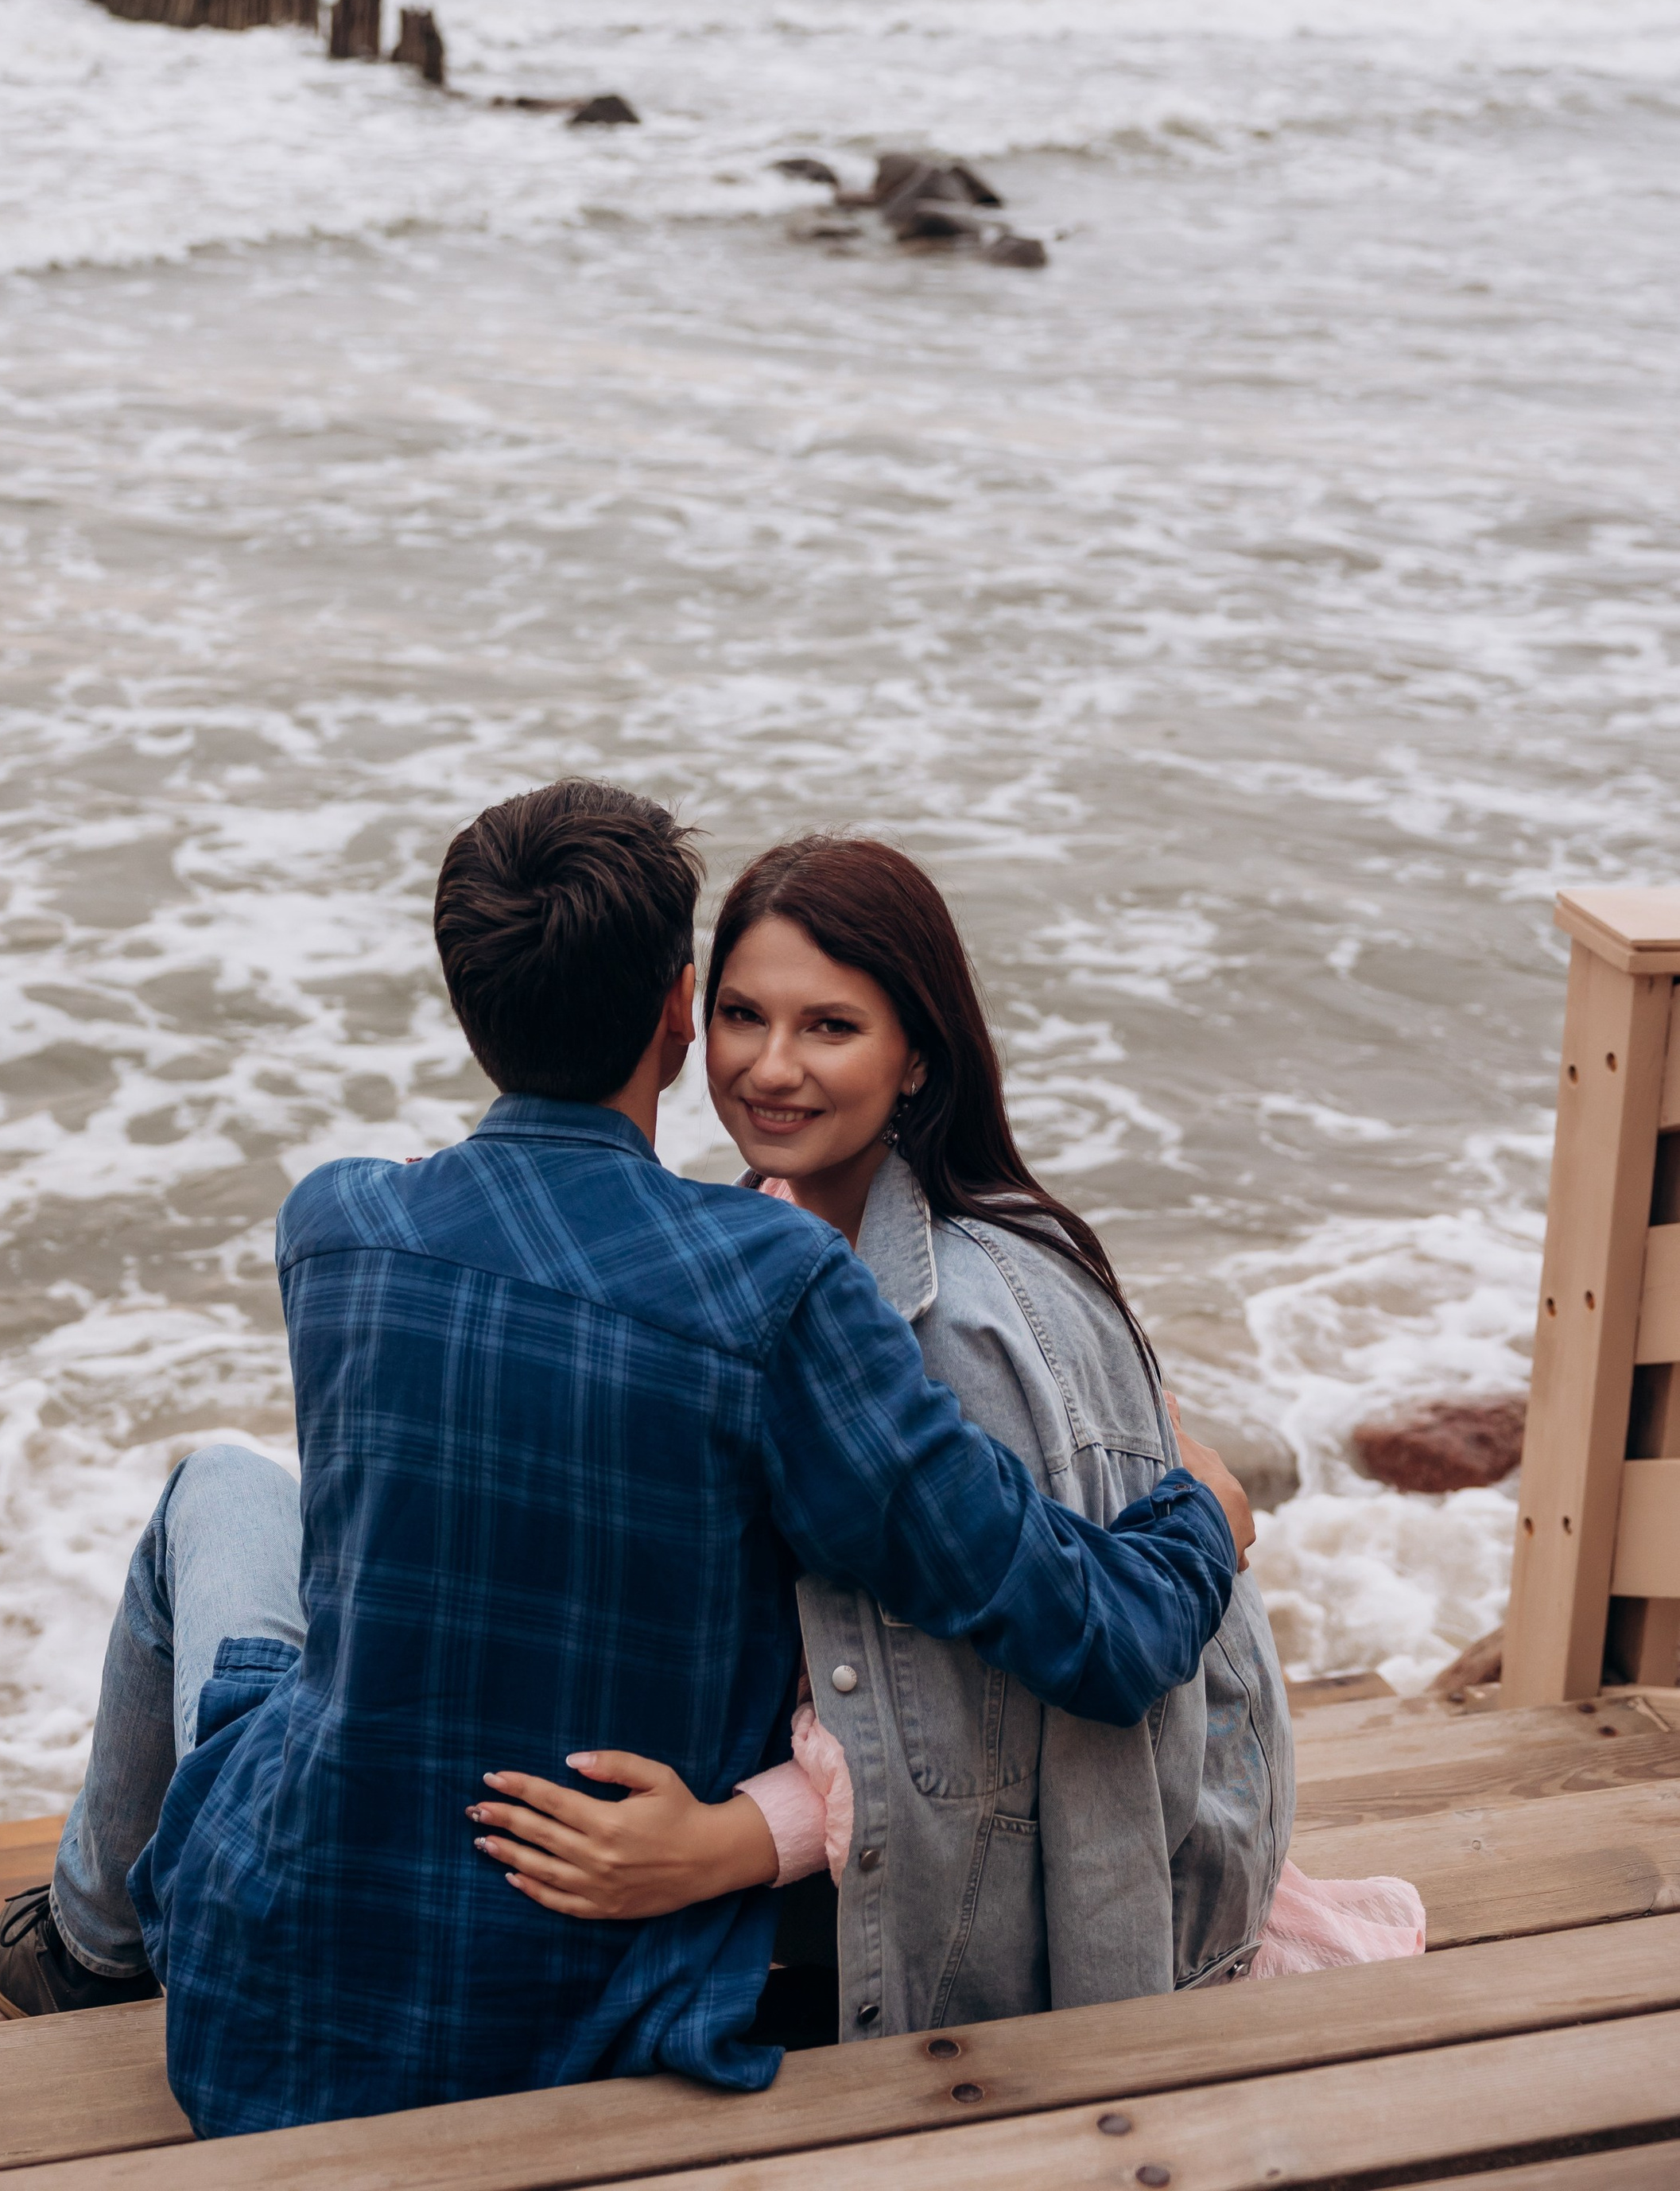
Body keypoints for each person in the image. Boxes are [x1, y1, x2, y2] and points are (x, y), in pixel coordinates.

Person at [0, 783, 1247, 2137]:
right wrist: (1206, 1515)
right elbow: (1095, 1635)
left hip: (282, 1985)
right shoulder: (775, 1284)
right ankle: (96, 1935)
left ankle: (89, 1946)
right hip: (580, 2013)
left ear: (470, 1007)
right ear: (678, 1010)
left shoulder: (337, 1226)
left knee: (215, 1491)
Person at [471, 837, 1422, 2034]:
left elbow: (995, 1727)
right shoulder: (769, 1229)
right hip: (884, 1811)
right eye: (741, 1015)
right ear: (685, 1019)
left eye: (829, 1028)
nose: (769, 1068)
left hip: (1037, 1900)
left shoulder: (959, 1322)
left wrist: (723, 1845)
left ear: (917, 1054)